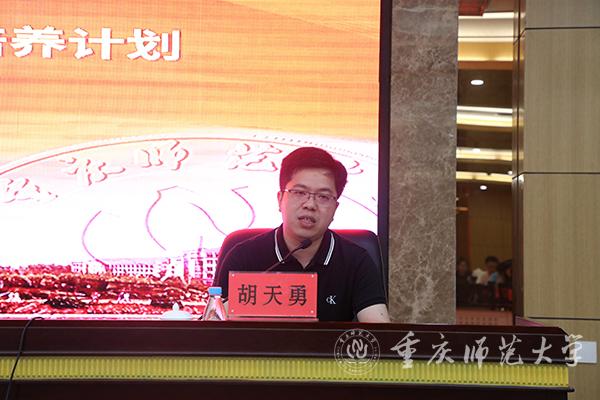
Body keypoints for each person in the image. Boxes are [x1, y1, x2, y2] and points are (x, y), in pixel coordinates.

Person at [215, 147, 390, 322]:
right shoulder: (243, 256)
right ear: (280, 199)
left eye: (323, 196)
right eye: (299, 193)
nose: (310, 205)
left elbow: (379, 329)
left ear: (335, 208)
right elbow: (215, 324)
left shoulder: (356, 261)